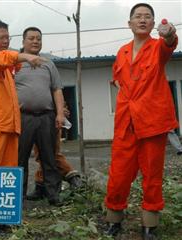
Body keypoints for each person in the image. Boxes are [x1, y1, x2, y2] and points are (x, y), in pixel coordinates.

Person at [104, 3, 178, 239]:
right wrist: (122, 90)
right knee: (119, 174)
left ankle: (149, 227)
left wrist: (170, 35)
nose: (143, 20)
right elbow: (116, 76)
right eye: (138, 16)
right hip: (126, 122)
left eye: (147, 17)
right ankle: (114, 221)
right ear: (130, 23)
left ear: (153, 23)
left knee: (152, 175)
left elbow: (169, 45)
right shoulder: (122, 51)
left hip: (153, 121)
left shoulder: (158, 47)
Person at [0, 20, 45, 235]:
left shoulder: (4, 67)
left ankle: (1, 219)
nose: (6, 41)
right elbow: (5, 58)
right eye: (2, 38)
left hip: (8, 125)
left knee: (6, 176)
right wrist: (25, 55)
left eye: (8, 38)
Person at [15, 27, 65, 206]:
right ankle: (17, 198)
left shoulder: (48, 64)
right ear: (23, 41)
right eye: (31, 38)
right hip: (22, 117)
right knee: (20, 159)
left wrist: (59, 114)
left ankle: (53, 195)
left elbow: (57, 89)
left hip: (47, 117)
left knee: (49, 157)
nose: (35, 41)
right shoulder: (15, 63)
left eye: (38, 38)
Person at [27, 104, 82, 201]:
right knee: (40, 154)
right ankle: (41, 186)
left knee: (50, 154)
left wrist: (60, 110)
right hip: (33, 115)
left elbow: (55, 93)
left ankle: (73, 177)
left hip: (48, 116)